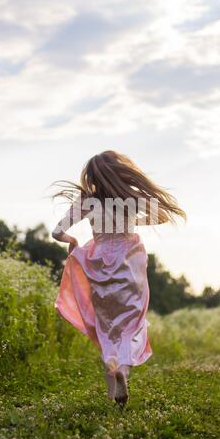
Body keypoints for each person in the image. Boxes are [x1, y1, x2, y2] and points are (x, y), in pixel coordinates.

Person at [51, 150, 186, 406]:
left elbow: (57, 232)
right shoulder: (130, 199)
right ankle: (123, 369)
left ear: (91, 176)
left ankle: (113, 392)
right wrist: (133, 224)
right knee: (132, 324)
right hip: (129, 265)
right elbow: (163, 215)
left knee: (107, 327)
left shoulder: (86, 202)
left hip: (98, 266)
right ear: (119, 171)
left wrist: (74, 241)